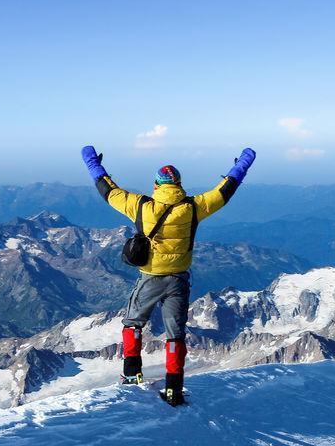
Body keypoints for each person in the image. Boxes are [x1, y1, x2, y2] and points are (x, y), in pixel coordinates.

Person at [80, 145, 257, 405]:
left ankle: (131, 374)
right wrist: (243, 162)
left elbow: (108, 190)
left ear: (156, 186)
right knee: (175, 335)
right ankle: (174, 388)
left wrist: (92, 162)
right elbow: (226, 189)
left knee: (132, 323)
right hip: (179, 280)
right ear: (179, 184)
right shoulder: (194, 207)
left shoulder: (140, 206)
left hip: (150, 276)